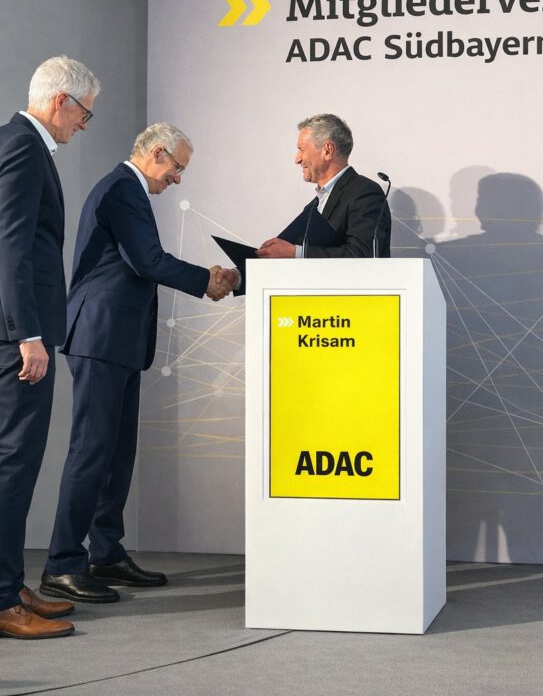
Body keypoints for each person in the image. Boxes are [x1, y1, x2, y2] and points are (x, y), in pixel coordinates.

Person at [40, 123, 237, 604]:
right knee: (92, 451)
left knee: (116, 453)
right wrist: (205, 280)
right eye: (178, 167)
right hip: (100, 337)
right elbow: (148, 260)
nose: (178, 178)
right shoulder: (122, 189)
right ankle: (62, 564)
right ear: (157, 152)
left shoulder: (127, 190)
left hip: (119, 341)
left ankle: (106, 553)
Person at [0, 55, 100, 639]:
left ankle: (11, 584)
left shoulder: (21, 143)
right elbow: (10, 245)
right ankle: (1, 599)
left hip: (20, 332)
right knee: (13, 464)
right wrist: (27, 335)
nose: (84, 124)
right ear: (62, 100)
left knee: (17, 463)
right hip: (18, 338)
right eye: (85, 112)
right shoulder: (21, 145)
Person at [256, 114, 391, 258]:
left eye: (302, 149)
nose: (297, 159)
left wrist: (296, 253)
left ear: (327, 150)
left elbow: (361, 254)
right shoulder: (313, 206)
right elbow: (284, 250)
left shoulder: (365, 193)